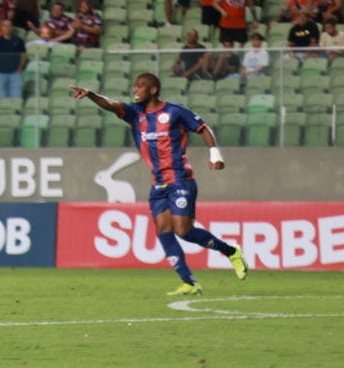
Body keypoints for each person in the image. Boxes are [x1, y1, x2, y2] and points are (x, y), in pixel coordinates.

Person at [70, 73, 248, 295]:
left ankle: (231, 251)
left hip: (181, 179)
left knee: (183, 230)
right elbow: (110, 105)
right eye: (134, 85)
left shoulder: (174, 112)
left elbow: (203, 128)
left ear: (153, 90)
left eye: (140, 86)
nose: (135, 89)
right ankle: (189, 282)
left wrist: (215, 154)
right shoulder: (135, 114)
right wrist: (90, 95)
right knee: (163, 229)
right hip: (158, 184)